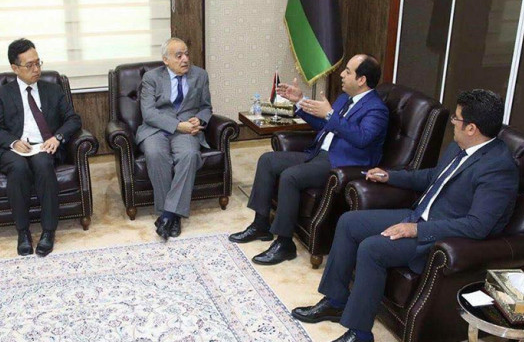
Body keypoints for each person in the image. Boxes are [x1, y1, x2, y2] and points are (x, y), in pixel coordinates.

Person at [291, 89, 519, 342]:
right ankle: (336, 301)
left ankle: (360, 337)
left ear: (472, 128)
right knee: (349, 222)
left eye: (456, 119)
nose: (453, 123)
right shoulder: (460, 147)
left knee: (372, 248)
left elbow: (477, 226)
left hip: (438, 237)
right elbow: (433, 177)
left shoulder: (498, 168)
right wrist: (390, 176)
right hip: (418, 216)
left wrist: (416, 230)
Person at [229, 54, 389, 265]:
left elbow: (362, 138)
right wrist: (299, 101)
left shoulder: (377, 109)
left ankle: (285, 243)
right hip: (318, 154)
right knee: (268, 160)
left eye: (348, 71)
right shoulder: (345, 98)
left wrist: (331, 115)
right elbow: (324, 124)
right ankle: (260, 225)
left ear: (362, 80)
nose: (342, 74)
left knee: (291, 176)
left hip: (341, 164)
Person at [0, 38, 82, 257]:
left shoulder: (53, 90)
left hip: (44, 145)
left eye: (38, 63)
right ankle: (23, 232)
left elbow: (73, 119)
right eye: (29, 65)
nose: (36, 69)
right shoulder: (2, 94)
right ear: (15, 68)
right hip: (15, 149)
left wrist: (57, 137)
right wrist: (13, 142)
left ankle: (48, 231)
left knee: (43, 164)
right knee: (18, 168)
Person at [136, 37, 212, 240]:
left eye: (186, 54)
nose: (185, 59)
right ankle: (172, 215)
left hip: (187, 130)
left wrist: (200, 119)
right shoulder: (151, 78)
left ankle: (168, 216)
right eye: (178, 56)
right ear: (166, 60)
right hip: (156, 129)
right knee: (155, 154)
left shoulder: (200, 75)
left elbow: (206, 107)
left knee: (190, 155)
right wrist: (178, 125)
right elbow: (148, 113)